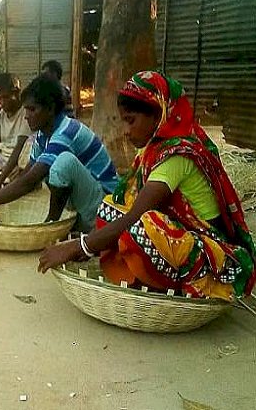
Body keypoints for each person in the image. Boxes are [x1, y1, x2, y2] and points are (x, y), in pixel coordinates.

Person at [38, 71, 256, 301]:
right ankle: (143, 274)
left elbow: (135, 217)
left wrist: (80, 247)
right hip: (183, 238)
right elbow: (127, 206)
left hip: (215, 257)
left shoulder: (177, 154)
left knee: (143, 229)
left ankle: (181, 284)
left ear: (158, 114)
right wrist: (91, 243)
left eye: (131, 120)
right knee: (111, 206)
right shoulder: (153, 149)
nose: (126, 130)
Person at [0, 74, 118, 233]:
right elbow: (26, 175)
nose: (26, 116)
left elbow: (29, 181)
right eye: (26, 110)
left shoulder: (66, 132)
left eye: (32, 109)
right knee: (51, 174)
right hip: (85, 202)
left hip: (105, 208)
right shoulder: (42, 135)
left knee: (63, 164)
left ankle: (52, 224)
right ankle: (63, 223)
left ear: (51, 108)